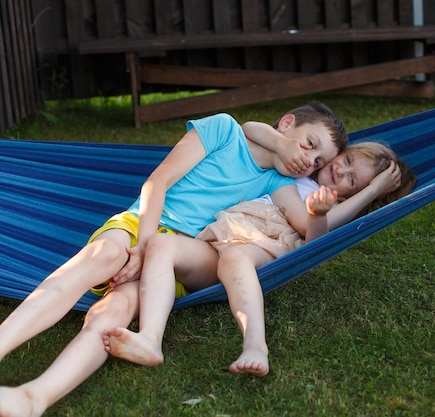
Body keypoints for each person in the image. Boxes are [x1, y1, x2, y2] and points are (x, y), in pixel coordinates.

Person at [0, 102, 347, 417]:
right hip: (142, 224)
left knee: (114, 313)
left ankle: (32, 399)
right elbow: (159, 180)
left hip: (177, 258)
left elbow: (310, 239)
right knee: (102, 254)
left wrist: (322, 212)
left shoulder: (277, 182)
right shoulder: (223, 129)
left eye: (317, 162)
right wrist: (143, 246)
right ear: (286, 124)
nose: (309, 160)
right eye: (310, 144)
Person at [101, 140, 417, 378]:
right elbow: (253, 133)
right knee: (159, 243)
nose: (339, 170)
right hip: (223, 232)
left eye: (351, 180)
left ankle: (255, 345)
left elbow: (314, 243)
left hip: (267, 240)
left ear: (351, 196)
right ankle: (150, 339)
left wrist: (365, 193)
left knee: (235, 258)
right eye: (346, 160)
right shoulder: (299, 167)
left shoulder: (333, 203)